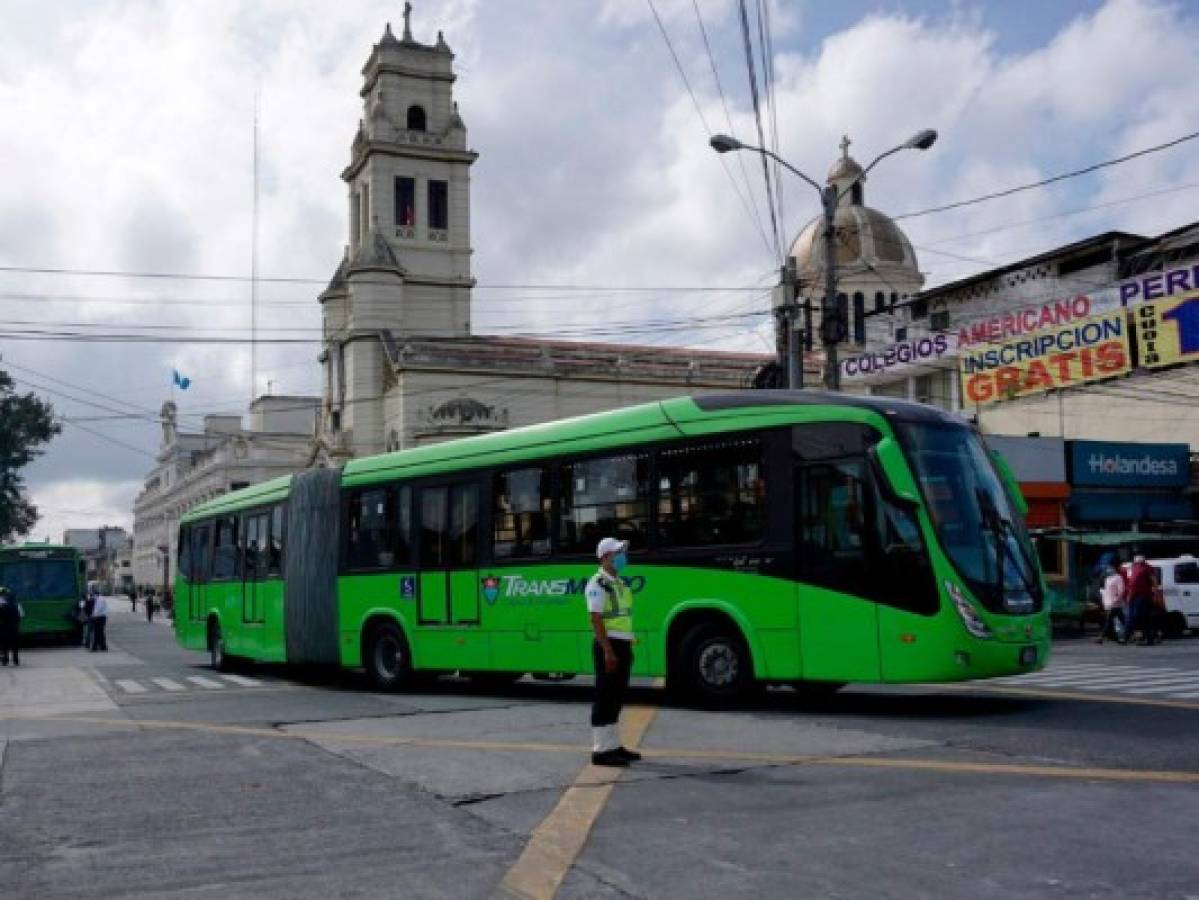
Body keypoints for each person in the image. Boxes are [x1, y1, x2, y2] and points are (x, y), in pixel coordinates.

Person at [585, 537, 641, 767]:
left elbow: (623, 617)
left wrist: (627, 645)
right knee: (605, 696)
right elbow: (595, 619)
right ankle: (600, 750)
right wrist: (608, 651)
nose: (622, 556)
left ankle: (614, 746)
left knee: (617, 696)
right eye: (618, 552)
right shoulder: (597, 583)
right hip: (608, 644)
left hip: (622, 644)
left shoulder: (619, 583)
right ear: (605, 557)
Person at [1126, 555, 1157, 646]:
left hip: (1143, 596)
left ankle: (1146, 638)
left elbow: (1154, 582)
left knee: (1142, 617)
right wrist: (1129, 595)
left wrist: (1154, 593)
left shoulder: (1147, 569)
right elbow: (1131, 582)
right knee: (1137, 617)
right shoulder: (1133, 568)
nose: (1137, 564)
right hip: (1134, 596)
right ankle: (1141, 637)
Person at [1096, 562, 1127, 644]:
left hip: (1115, 604)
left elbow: (1121, 590)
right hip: (1110, 604)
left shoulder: (1118, 578)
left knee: (1108, 621)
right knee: (1123, 621)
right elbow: (1106, 592)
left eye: (1110, 569)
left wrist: (1117, 599)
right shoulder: (1107, 579)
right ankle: (1131, 635)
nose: (1108, 570)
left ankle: (1101, 638)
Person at [0, 586, 23, 666]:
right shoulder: (17, 606)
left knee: (4, 646)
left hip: (4, 629)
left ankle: (5, 660)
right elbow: (21, 616)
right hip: (14, 628)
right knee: (15, 645)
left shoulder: (2, 607)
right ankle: (15, 660)